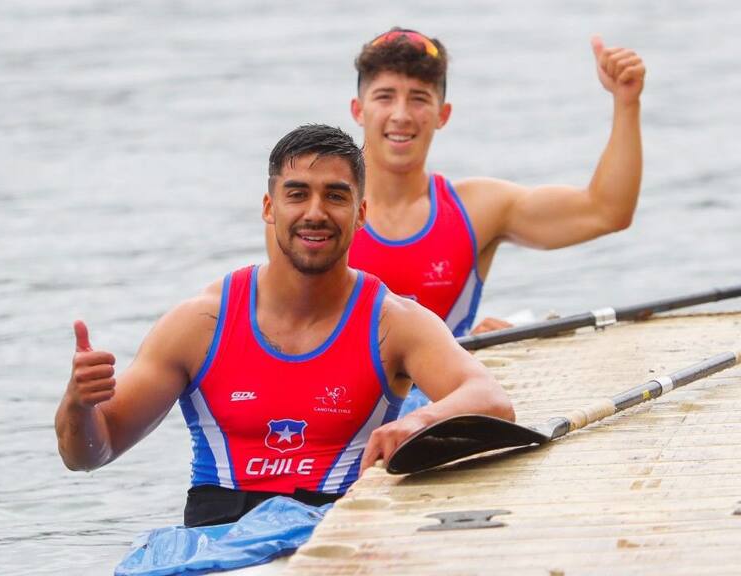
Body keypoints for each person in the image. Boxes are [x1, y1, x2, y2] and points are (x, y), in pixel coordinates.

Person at [55, 124, 514, 528]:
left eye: (335, 195)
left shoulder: (393, 322)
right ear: (269, 207)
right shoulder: (199, 323)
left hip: (337, 534)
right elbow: (91, 453)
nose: (315, 212)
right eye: (297, 193)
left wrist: (421, 419)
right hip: (218, 537)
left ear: (360, 214)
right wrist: (78, 407)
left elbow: (491, 400)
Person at [346, 28, 645, 412]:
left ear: (443, 114)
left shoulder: (477, 208)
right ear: (358, 109)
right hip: (345, 401)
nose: (401, 115)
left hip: (437, 401)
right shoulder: (323, 213)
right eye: (385, 97)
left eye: (419, 99)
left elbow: (606, 211)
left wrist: (626, 102)